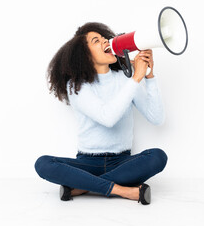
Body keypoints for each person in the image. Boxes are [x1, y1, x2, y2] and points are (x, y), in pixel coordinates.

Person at [34, 22, 168, 205]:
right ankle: (124, 191)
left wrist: (149, 76)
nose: (106, 41)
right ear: (85, 55)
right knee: (43, 163)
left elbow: (157, 117)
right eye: (96, 41)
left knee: (158, 157)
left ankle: (84, 186)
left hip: (122, 162)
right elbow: (108, 118)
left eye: (105, 38)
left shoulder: (126, 80)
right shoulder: (76, 86)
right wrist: (136, 77)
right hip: (87, 164)